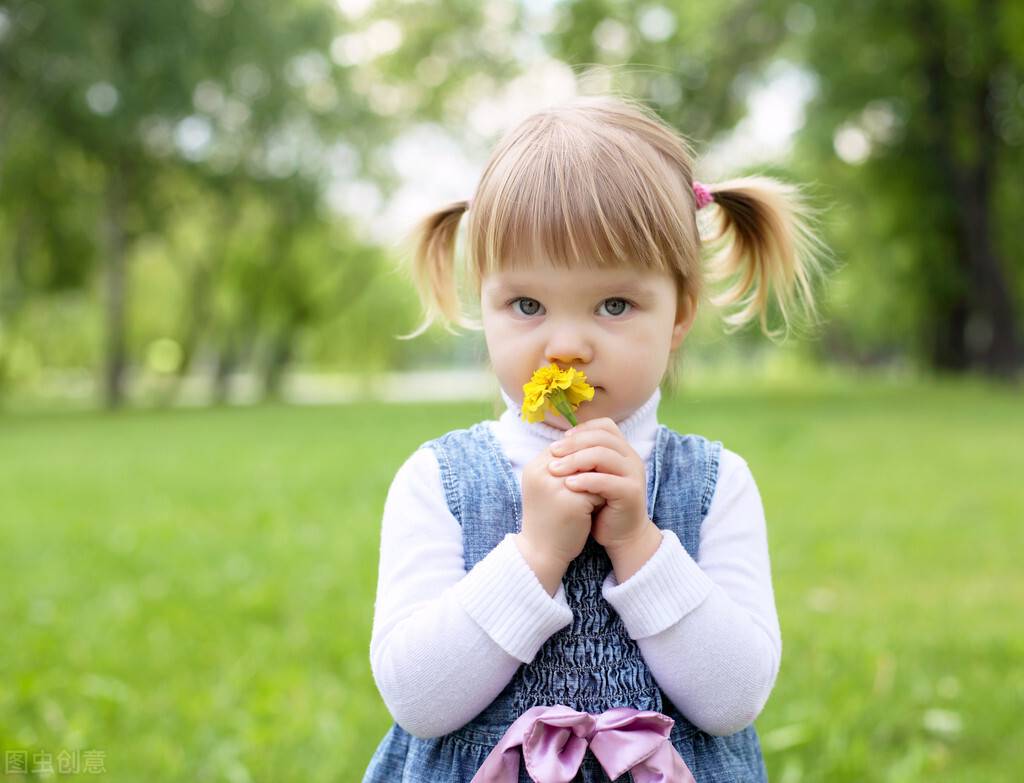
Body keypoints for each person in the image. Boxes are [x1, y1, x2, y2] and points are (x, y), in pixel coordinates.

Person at [362, 94, 829, 782]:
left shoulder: (713, 484)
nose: (567, 343)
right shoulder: (438, 481)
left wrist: (639, 547)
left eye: (614, 305)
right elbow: (416, 698)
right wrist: (534, 556)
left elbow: (733, 700)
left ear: (678, 316)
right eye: (527, 305)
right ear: (483, 304)